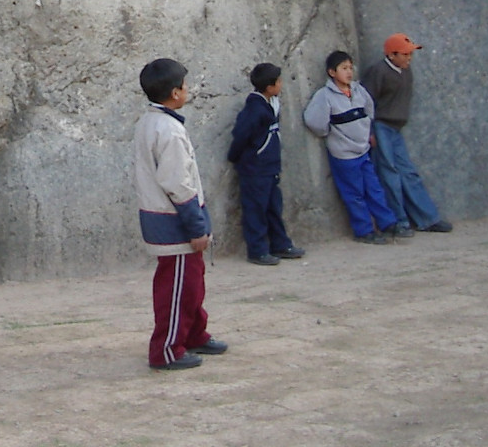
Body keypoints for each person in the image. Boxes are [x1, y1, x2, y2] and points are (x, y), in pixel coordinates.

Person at [133, 58, 229, 370]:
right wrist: (196, 227)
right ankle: (166, 350)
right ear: (175, 93)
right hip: (174, 222)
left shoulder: (152, 122)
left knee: (192, 282)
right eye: (186, 86)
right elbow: (178, 185)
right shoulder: (167, 130)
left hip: (173, 218)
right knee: (176, 288)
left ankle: (194, 334)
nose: (189, 90)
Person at [303, 51, 400, 244]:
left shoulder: (358, 90)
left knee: (374, 188)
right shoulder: (325, 96)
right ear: (332, 72)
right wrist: (328, 133)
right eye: (344, 68)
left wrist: (368, 132)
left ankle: (387, 223)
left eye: (350, 68)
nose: (349, 72)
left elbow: (369, 110)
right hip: (344, 154)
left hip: (363, 149)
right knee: (354, 193)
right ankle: (364, 231)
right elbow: (314, 121)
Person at [361, 33, 453, 235]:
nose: (409, 58)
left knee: (408, 173)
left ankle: (427, 219)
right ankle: (398, 222)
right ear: (392, 55)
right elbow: (365, 103)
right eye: (405, 54)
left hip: (395, 129)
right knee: (389, 174)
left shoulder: (405, 71)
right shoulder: (378, 72)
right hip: (381, 126)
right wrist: (368, 132)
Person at [227, 62, 306, 266]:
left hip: (270, 167)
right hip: (255, 169)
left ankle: (280, 244)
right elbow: (240, 136)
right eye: (278, 82)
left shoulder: (271, 104)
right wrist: (238, 158)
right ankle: (257, 250)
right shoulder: (255, 109)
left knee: (273, 207)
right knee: (255, 210)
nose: (281, 85)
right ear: (269, 86)